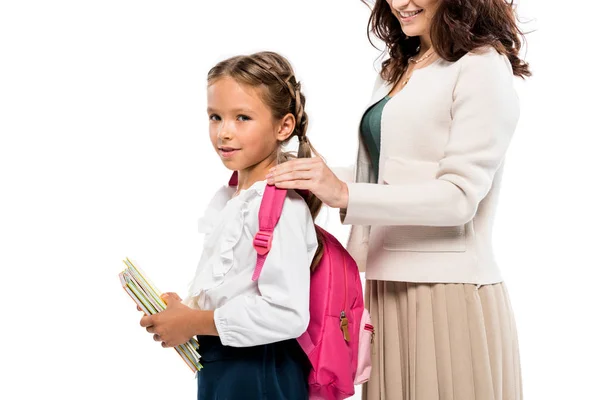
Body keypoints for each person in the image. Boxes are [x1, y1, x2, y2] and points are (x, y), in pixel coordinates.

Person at [266, 0, 531, 398]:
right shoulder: (401, 65)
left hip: (446, 291)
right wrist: (313, 176)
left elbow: (459, 197)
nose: (399, 3)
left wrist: (344, 193)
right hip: (384, 288)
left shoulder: (482, 65)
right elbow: (391, 178)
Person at [140, 51, 322, 400]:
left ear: (283, 126)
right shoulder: (233, 198)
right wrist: (185, 310)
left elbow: (288, 313)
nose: (224, 132)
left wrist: (194, 322)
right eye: (215, 117)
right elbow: (233, 286)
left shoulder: (281, 207)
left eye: (242, 118)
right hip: (224, 367)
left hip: (260, 373)